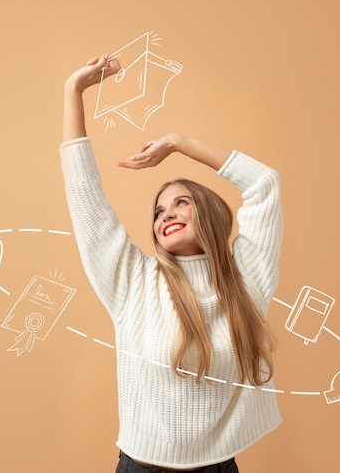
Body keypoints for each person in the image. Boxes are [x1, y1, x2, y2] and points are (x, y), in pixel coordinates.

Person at [60, 54, 284, 472]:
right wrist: (73, 92)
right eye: (160, 211)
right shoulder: (134, 283)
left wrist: (179, 143)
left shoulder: (246, 281)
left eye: (182, 202)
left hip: (220, 467)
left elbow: (265, 185)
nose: (167, 214)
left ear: (210, 213)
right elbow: (85, 197)